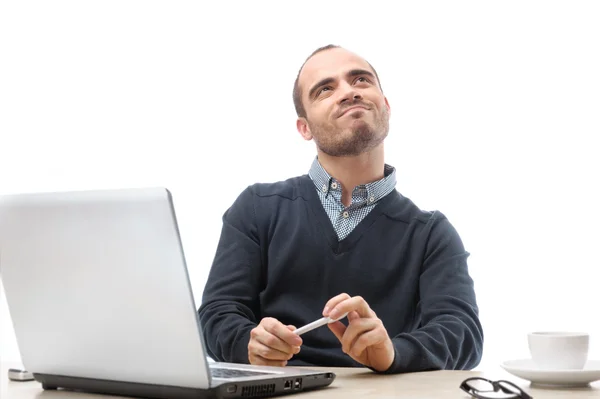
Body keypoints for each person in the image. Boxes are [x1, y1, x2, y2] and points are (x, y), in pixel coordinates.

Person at [198, 44, 483, 374]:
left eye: (361, 80)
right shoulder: (257, 209)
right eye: (325, 89)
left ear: (386, 106)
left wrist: (393, 352)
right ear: (304, 128)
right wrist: (248, 343)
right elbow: (217, 314)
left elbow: (464, 336)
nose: (349, 93)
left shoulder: (432, 233)